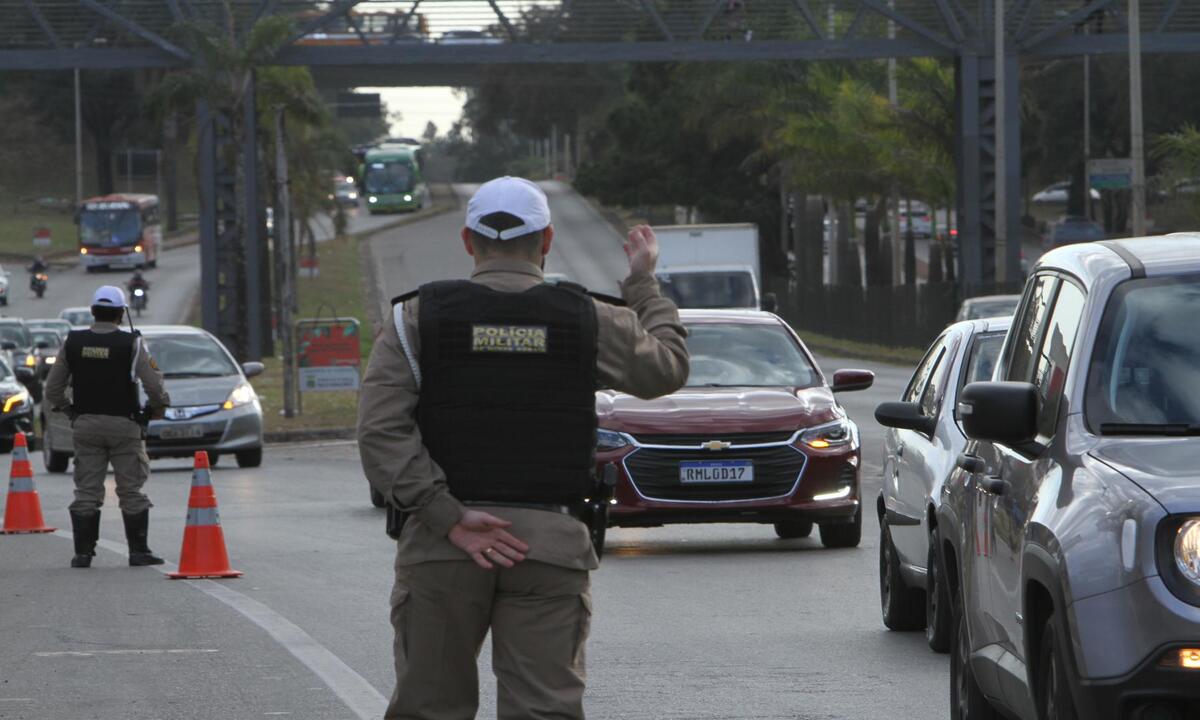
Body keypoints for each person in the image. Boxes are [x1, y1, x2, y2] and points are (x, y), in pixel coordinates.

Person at [358, 176, 690, 720]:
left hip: (445, 548)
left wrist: (450, 516)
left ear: (468, 241)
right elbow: (666, 370)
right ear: (548, 240)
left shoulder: (414, 319)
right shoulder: (589, 319)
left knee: (429, 709)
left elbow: (380, 433)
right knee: (544, 711)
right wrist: (644, 285)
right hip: (549, 547)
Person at [45, 286, 171, 569]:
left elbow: (53, 389)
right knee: (131, 489)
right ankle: (138, 551)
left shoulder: (73, 342)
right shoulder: (132, 344)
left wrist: (71, 413)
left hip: (86, 425)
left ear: (93, 311)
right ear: (120, 313)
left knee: (86, 490)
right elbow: (154, 384)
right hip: (124, 425)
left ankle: (83, 554)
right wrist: (157, 409)